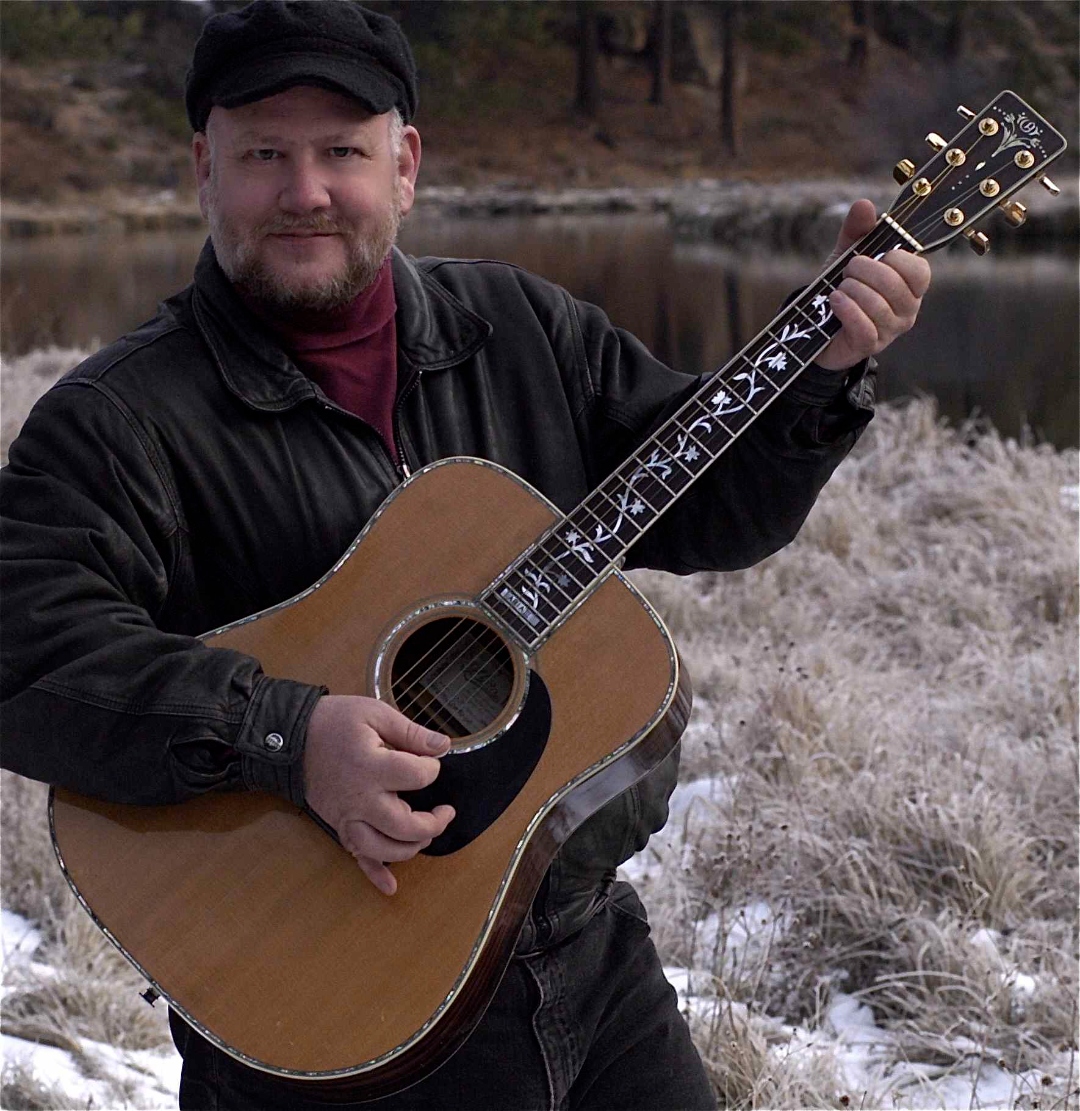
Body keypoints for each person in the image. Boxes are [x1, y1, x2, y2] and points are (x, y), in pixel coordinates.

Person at [0, 2, 931, 1108]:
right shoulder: (117, 419)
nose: (306, 192)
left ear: (405, 165)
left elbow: (709, 510)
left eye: (343, 151)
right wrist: (287, 736)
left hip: (587, 958)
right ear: (205, 169)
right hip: (331, 1006)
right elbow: (23, 655)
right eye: (264, 155)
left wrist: (815, 380)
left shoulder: (523, 328)